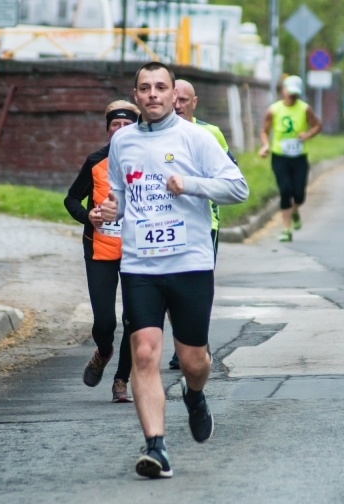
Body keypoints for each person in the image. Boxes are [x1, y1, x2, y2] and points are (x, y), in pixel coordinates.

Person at [100, 62, 248, 479]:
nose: (152, 95)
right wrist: (108, 212)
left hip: (190, 264)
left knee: (193, 360)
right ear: (135, 94)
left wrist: (191, 184)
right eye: (144, 88)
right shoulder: (122, 142)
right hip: (140, 266)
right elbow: (120, 199)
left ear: (172, 94)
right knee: (144, 353)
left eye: (160, 87)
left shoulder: (196, 138)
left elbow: (238, 187)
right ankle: (156, 447)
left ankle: (195, 394)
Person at [64, 100, 140, 403]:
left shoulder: (148, 161)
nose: (120, 130)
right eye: (115, 125)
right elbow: (71, 199)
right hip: (100, 248)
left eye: (127, 125)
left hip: (138, 251)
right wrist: (88, 216)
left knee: (135, 319)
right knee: (105, 321)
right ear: (108, 129)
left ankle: (121, 381)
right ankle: (104, 350)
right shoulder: (96, 160)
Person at [168, 79, 236, 371]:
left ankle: (197, 341)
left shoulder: (211, 133)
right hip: (169, 220)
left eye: (185, 100)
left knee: (197, 288)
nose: (179, 105)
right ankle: (181, 344)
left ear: (194, 102)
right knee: (172, 288)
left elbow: (228, 175)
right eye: (175, 99)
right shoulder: (158, 133)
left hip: (206, 222)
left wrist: (196, 185)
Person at [258, 75, 322, 242]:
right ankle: (286, 229)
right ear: (283, 91)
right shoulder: (273, 110)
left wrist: (307, 134)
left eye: (295, 93)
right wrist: (265, 146)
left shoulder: (305, 108)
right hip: (280, 156)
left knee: (299, 195)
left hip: (299, 157)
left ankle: (294, 211)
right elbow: (264, 131)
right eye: (289, 92)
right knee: (285, 191)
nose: (292, 96)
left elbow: (317, 125)